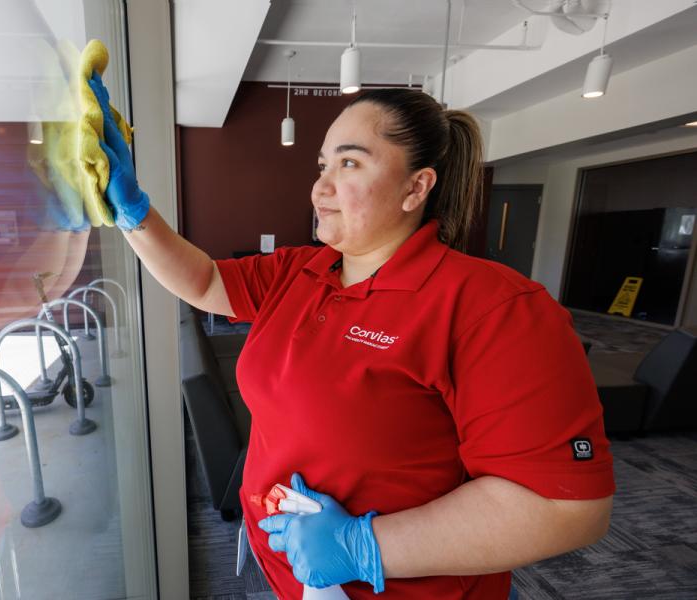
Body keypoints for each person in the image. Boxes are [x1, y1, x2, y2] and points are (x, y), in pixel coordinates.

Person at [89, 76, 615, 598]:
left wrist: (364, 546)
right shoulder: (305, 270)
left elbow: (566, 508)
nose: (319, 187)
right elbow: (205, 282)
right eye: (323, 164)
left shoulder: (493, 307)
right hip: (291, 575)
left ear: (416, 187)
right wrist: (133, 213)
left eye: (350, 163)